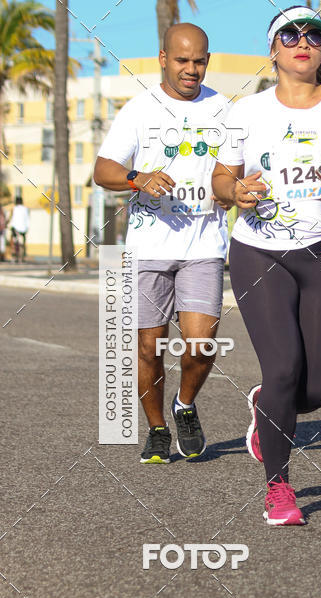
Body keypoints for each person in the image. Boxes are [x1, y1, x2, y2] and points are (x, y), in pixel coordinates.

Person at [212, 5, 321, 526]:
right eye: (289, 35)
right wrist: (236, 191)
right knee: (284, 368)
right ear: (273, 50)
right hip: (258, 251)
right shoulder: (248, 111)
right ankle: (279, 488)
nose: (303, 42)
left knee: (313, 390)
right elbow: (221, 179)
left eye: (313, 35)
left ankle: (266, 403)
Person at [94, 23, 229, 464]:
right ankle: (156, 429)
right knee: (148, 348)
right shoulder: (138, 110)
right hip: (148, 246)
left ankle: (184, 405)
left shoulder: (224, 109)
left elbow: (236, 168)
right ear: (163, 59)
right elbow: (103, 170)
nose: (192, 69)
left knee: (201, 345)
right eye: (183, 60)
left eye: (199, 61)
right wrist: (138, 177)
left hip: (204, 244)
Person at [9, 194, 29, 262]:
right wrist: (27, 228)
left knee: (14, 243)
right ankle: (22, 258)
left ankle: (15, 257)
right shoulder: (26, 209)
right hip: (24, 229)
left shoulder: (14, 209)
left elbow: (11, 218)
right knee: (22, 243)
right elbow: (28, 218)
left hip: (15, 228)